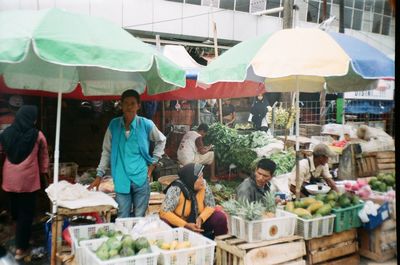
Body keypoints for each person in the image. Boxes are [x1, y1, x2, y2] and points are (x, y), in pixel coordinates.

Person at [88, 89, 166, 217]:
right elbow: (106, 151)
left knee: (139, 217)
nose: (129, 107)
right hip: (121, 178)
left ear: (138, 106)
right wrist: (99, 175)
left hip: (141, 178)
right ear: (121, 104)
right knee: (122, 216)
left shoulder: (145, 124)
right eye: (126, 103)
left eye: (133, 103)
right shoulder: (114, 125)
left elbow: (161, 140)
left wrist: (153, 163)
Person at [0, 105, 49, 260]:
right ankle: (21, 249)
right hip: (28, 181)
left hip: (10, 179)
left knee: (15, 212)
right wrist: (44, 173)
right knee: (26, 214)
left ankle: (21, 239)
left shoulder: (6, 133)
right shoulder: (37, 135)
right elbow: (43, 156)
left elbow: (1, 152)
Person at [159, 163, 228, 239]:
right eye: (199, 177)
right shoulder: (176, 189)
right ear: (191, 178)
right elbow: (164, 212)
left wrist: (201, 218)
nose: (203, 180)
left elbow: (210, 205)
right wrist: (185, 225)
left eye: (202, 176)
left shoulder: (203, 185)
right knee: (163, 222)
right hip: (179, 225)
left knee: (220, 217)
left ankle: (220, 245)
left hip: (198, 222)